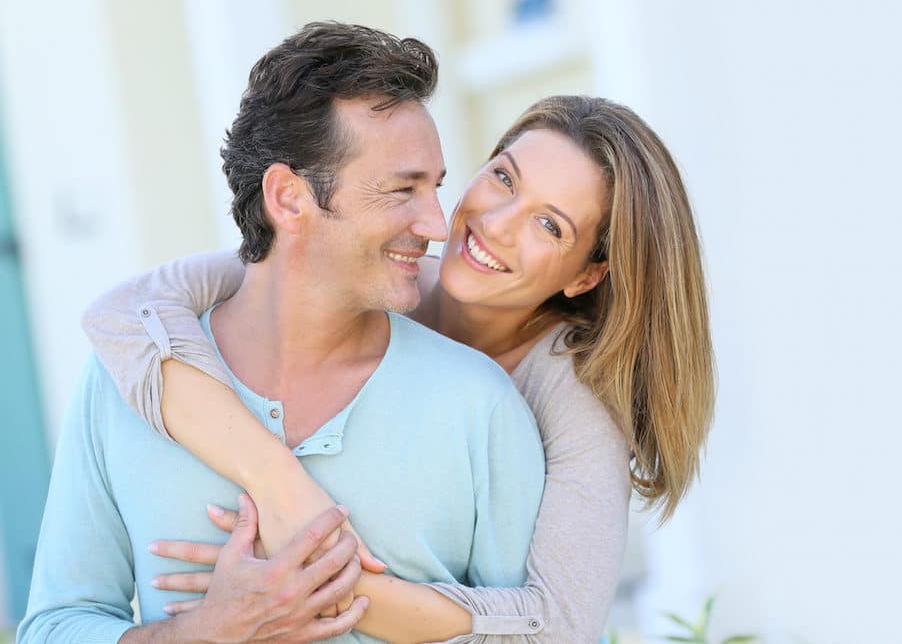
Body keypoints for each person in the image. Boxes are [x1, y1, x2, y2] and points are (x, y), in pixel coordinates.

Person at [74, 94, 716, 642]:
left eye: (548, 225)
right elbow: (126, 313)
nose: (493, 224)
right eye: (504, 178)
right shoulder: (377, 279)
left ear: (587, 274)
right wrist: (279, 484)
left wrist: (300, 580)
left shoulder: (568, 403)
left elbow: (557, 627)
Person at [17, 22, 545, 644]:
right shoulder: (124, 388)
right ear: (289, 198)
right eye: (402, 190)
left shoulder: (479, 406)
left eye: (435, 187)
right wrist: (209, 632)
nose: (435, 223)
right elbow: (52, 626)